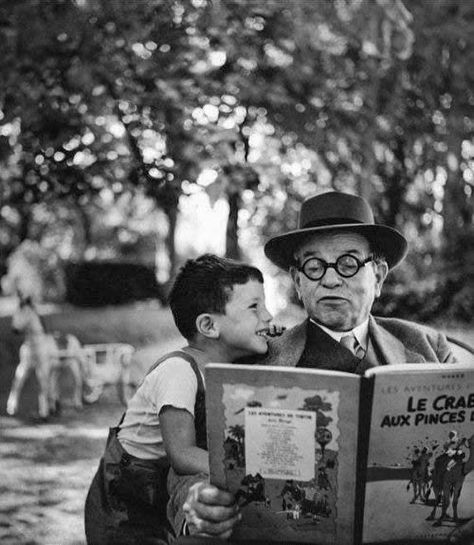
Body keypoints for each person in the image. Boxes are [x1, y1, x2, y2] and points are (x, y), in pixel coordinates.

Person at [168, 192, 473, 544]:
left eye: (347, 263)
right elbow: (186, 468)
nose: (329, 280)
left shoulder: (427, 347)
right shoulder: (253, 357)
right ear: (298, 281)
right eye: (314, 266)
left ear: (378, 275)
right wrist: (196, 500)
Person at [84, 253, 273, 545]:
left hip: (158, 486)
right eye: (254, 307)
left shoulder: (225, 366)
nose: (268, 316)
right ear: (209, 326)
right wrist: (245, 470)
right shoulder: (179, 371)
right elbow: (182, 454)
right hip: (125, 491)